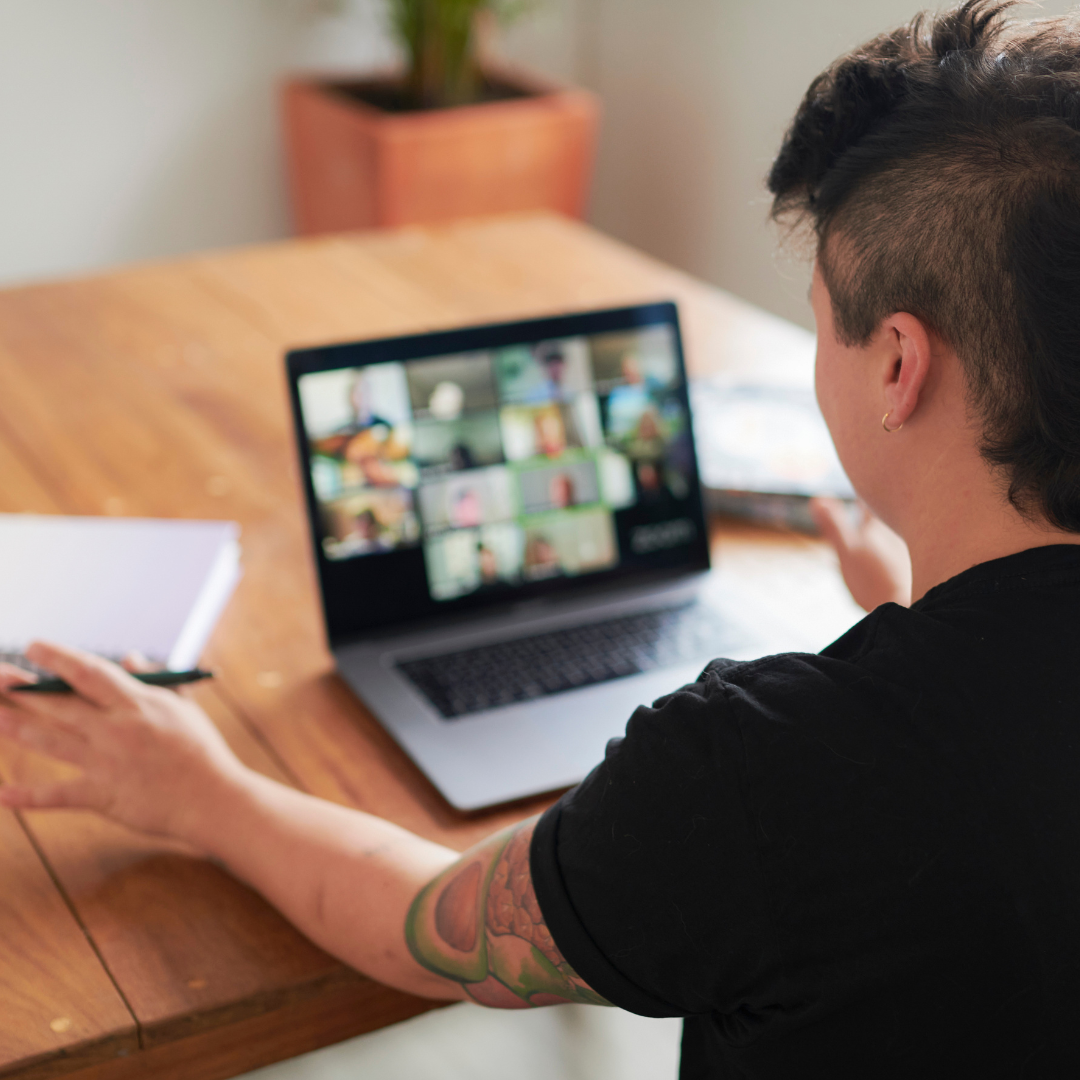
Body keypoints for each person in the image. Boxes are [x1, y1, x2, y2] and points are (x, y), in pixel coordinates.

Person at [4, 1, 1080, 1075]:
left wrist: (199, 788)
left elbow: (429, 928)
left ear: (897, 365)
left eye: (820, 314)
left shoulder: (761, 777)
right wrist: (907, 612)